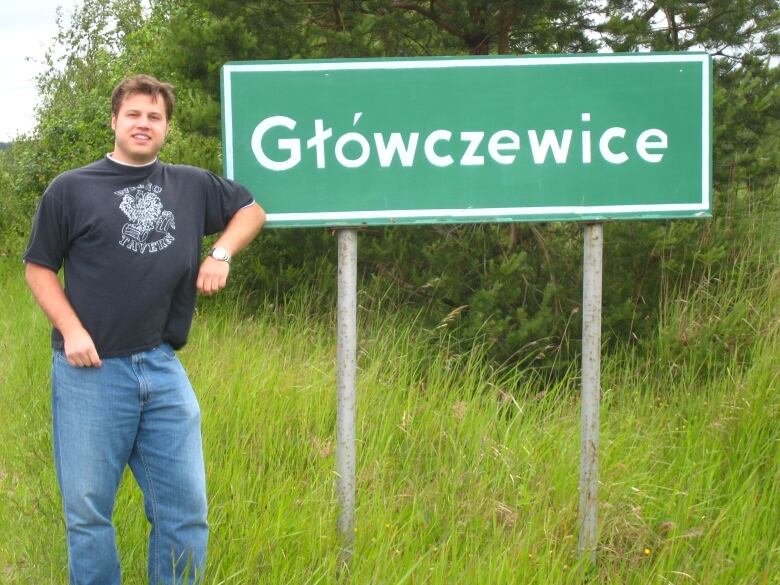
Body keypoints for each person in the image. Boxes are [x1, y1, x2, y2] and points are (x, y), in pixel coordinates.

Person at [23, 74, 266, 585]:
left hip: (161, 366)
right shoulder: (72, 189)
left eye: (154, 117)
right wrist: (71, 331)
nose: (143, 124)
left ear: (166, 129)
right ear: (114, 121)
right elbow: (38, 268)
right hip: (90, 370)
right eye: (134, 114)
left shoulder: (191, 185)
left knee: (186, 514)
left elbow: (251, 210)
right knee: (89, 516)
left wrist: (220, 252)